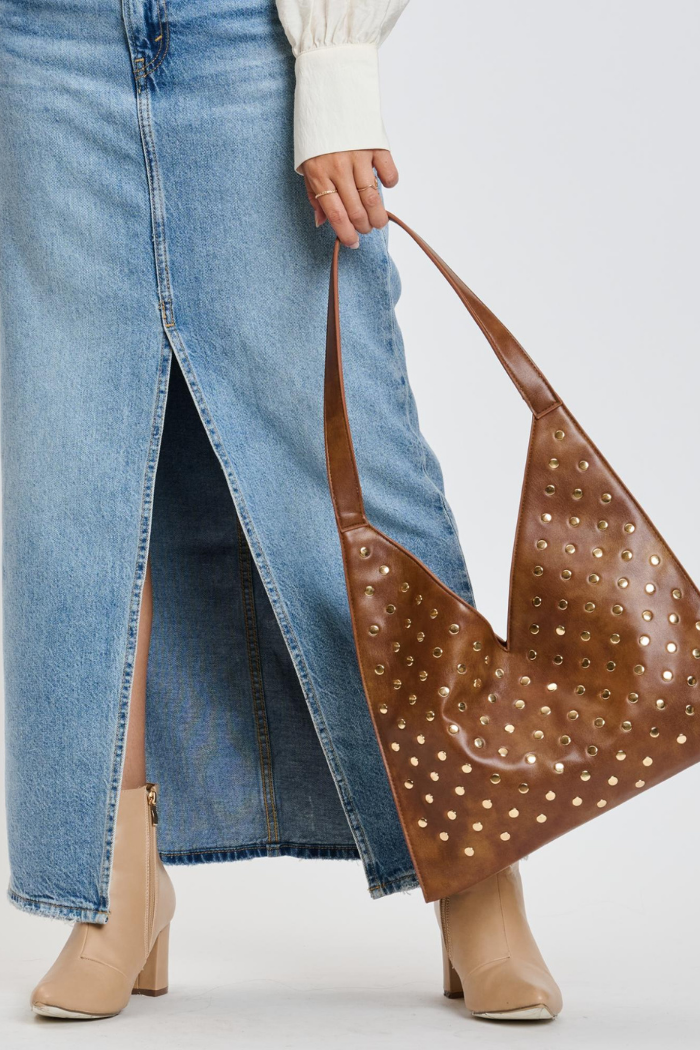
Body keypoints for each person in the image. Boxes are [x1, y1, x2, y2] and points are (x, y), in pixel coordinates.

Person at [0, 0, 562, 1022]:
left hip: (242, 38)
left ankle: (476, 864)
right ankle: (117, 886)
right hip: (38, 48)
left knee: (349, 463)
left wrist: (336, 64)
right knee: (72, 481)